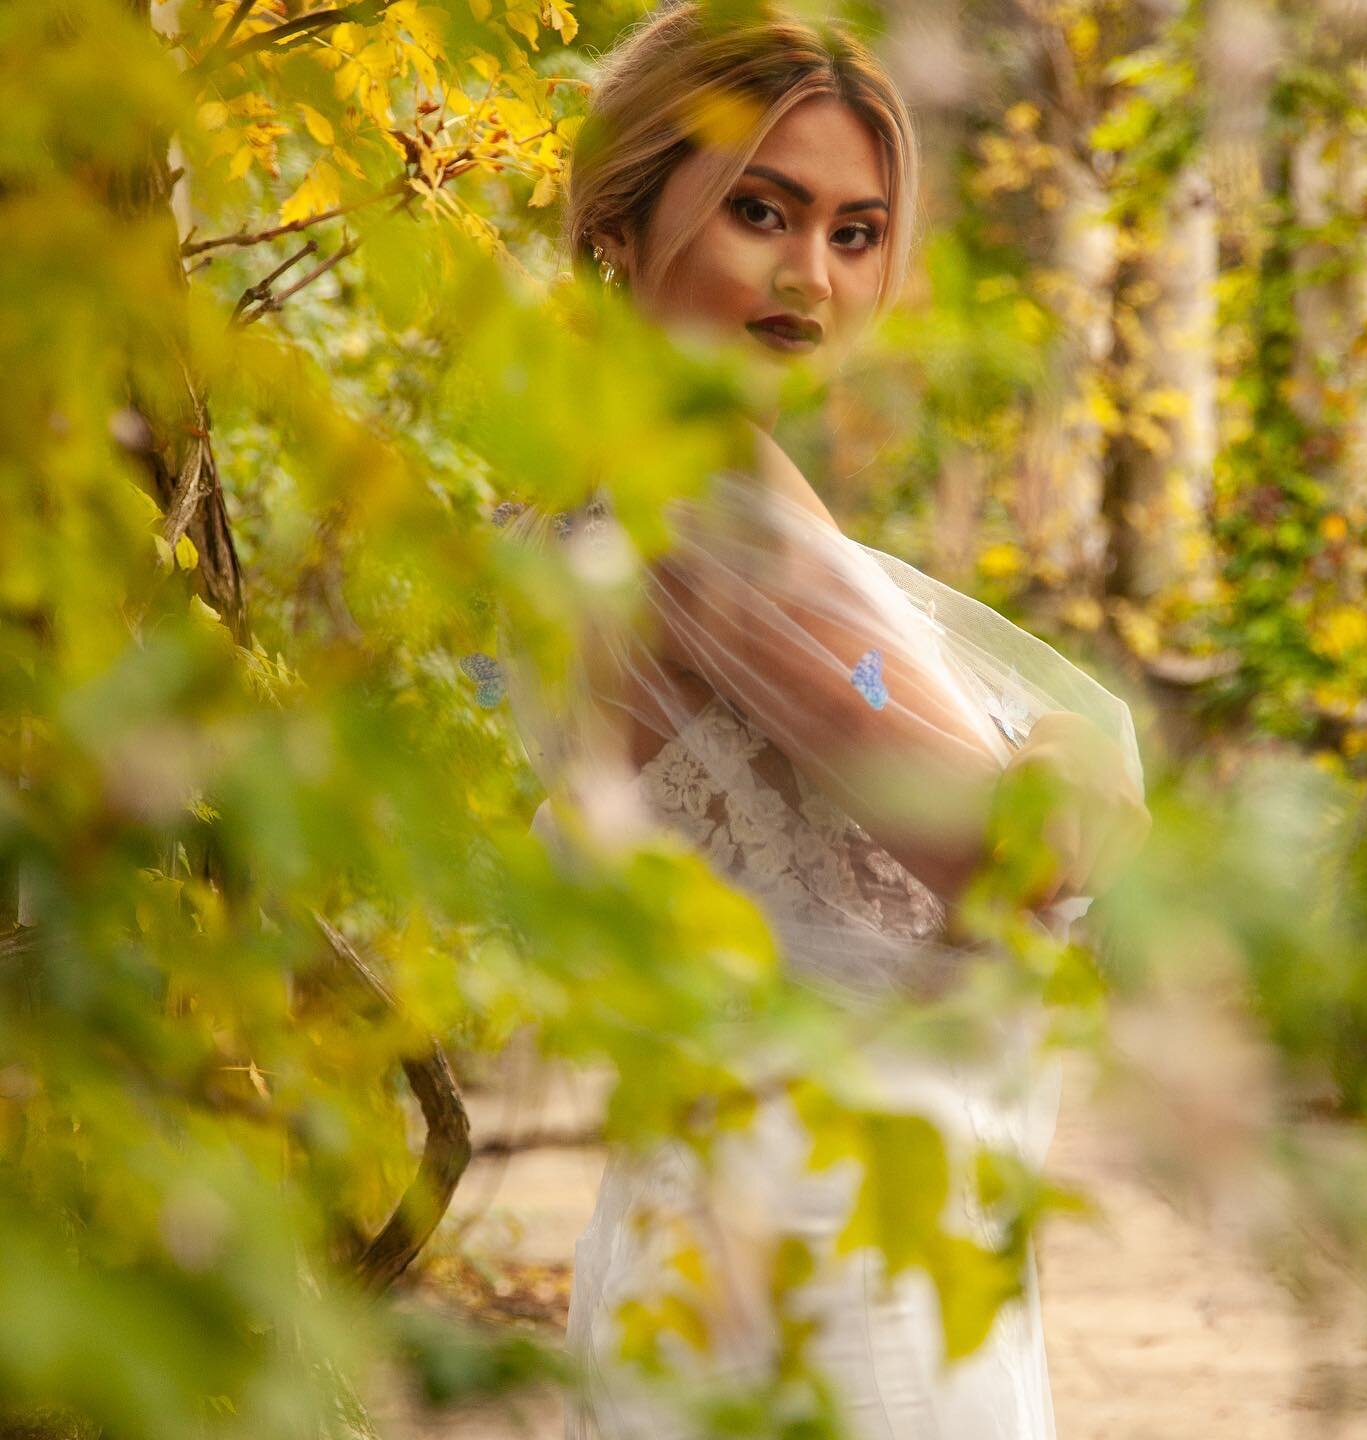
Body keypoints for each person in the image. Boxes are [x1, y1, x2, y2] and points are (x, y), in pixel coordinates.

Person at [495, 3, 1153, 1434]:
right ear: (620, 219)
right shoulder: (703, 509)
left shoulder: (597, 468)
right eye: (760, 211)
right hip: (834, 1250)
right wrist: (1081, 769)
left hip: (745, 1223)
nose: (811, 276)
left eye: (856, 233)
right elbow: (1012, 857)